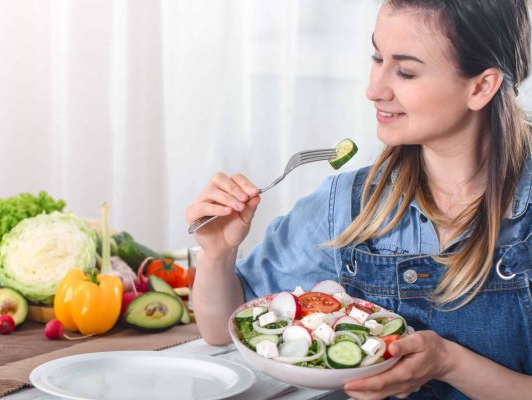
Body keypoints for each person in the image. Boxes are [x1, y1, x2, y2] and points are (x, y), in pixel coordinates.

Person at [185, 0, 532, 399]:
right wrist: (218, 254)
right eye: (376, 56)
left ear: (481, 86)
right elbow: (222, 328)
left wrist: (450, 363)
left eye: (405, 71)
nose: (374, 89)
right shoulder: (349, 205)